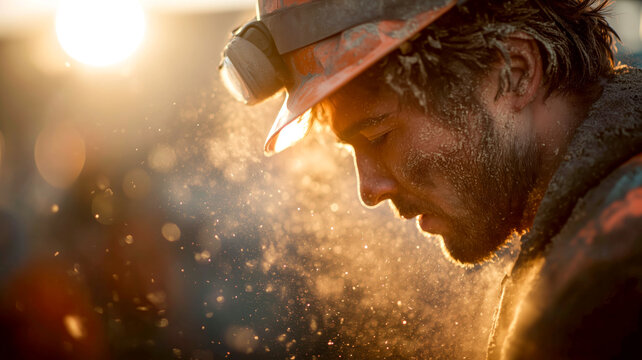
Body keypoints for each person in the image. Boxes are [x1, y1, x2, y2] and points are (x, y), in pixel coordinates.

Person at [220, 0, 642, 358]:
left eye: (380, 135)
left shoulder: (603, 279)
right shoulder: (593, 234)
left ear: (515, 72)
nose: (368, 190)